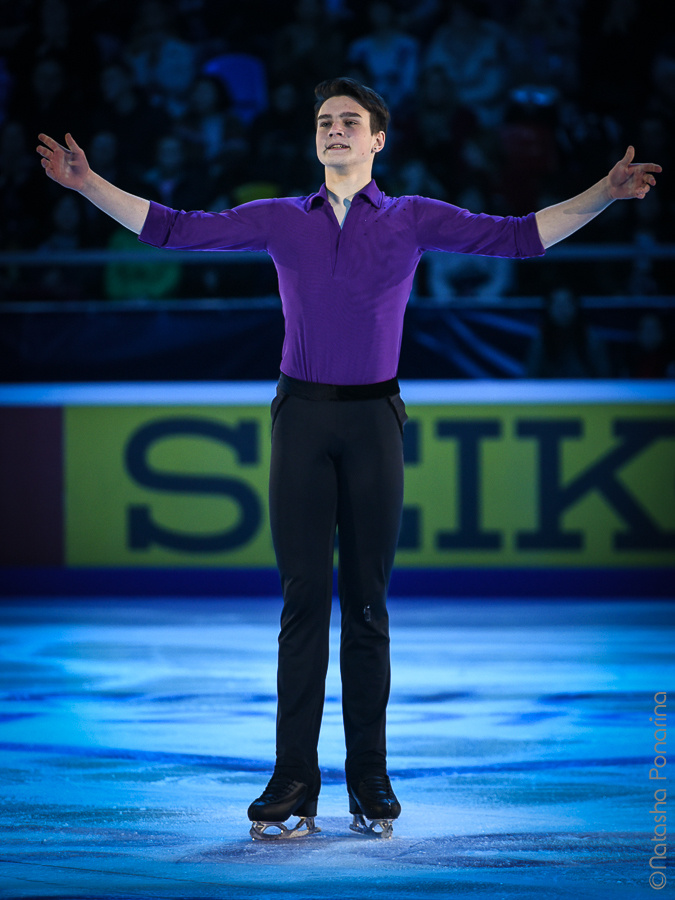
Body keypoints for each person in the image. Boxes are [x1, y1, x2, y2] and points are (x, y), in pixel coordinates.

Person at [37, 76, 661, 840]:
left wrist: (603, 193)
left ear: (377, 140)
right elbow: (173, 230)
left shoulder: (411, 217)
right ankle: (291, 780)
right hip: (301, 418)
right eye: (325, 121)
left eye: (349, 121)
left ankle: (369, 777)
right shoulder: (280, 217)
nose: (334, 129)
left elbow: (517, 237)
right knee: (302, 605)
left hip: (373, 423)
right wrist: (88, 183)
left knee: (366, 606)